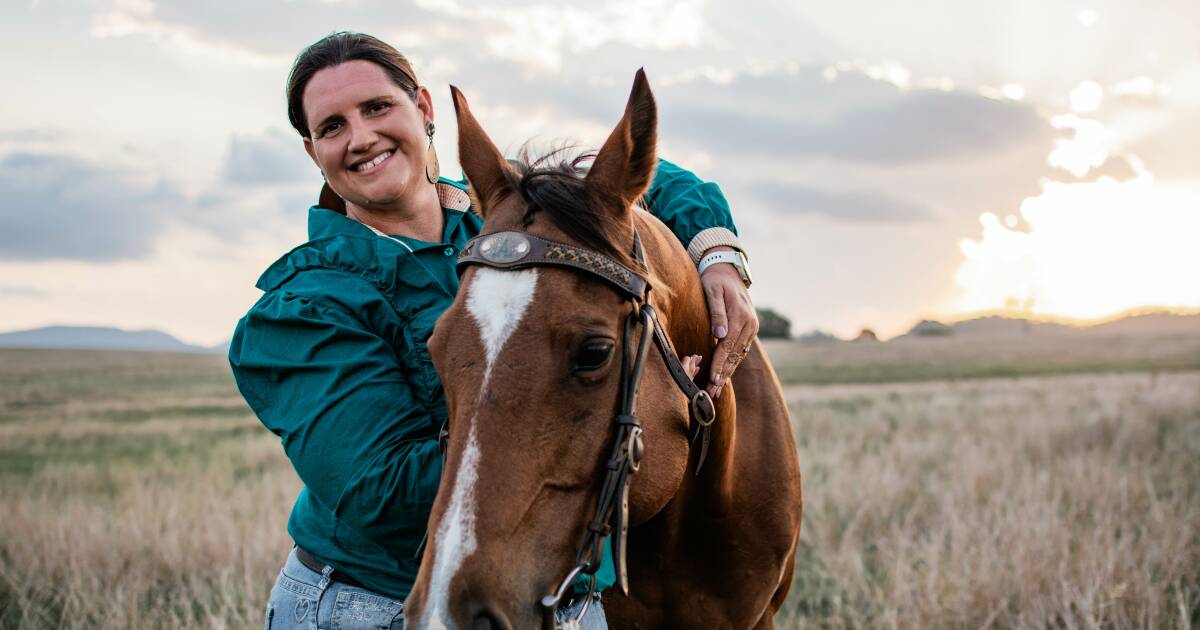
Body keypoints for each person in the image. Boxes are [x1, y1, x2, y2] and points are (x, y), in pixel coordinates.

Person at [228, 31, 759, 630]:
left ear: (424, 109)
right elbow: (387, 493)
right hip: (378, 605)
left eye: (377, 108)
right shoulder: (302, 309)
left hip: (560, 593)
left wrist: (716, 255)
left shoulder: (509, 220)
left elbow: (647, 178)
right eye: (332, 127)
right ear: (313, 152)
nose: (362, 137)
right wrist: (614, 418)